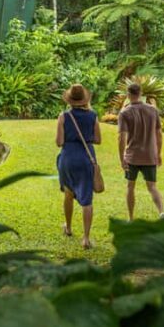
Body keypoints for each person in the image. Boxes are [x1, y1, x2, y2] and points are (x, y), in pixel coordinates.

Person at [56, 84, 102, 249]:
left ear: (70, 100)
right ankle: (86, 238)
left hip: (67, 158)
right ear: (84, 99)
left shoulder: (63, 116)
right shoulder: (93, 116)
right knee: (87, 199)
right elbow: (98, 140)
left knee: (68, 193)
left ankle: (68, 228)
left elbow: (59, 142)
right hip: (86, 158)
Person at [117, 82, 164, 221]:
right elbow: (159, 134)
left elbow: (121, 138)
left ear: (128, 95)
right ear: (141, 93)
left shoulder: (125, 112)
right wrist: (158, 153)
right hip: (150, 155)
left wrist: (122, 158)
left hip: (132, 156)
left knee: (130, 187)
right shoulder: (153, 110)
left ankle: (131, 218)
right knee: (152, 187)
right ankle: (162, 212)